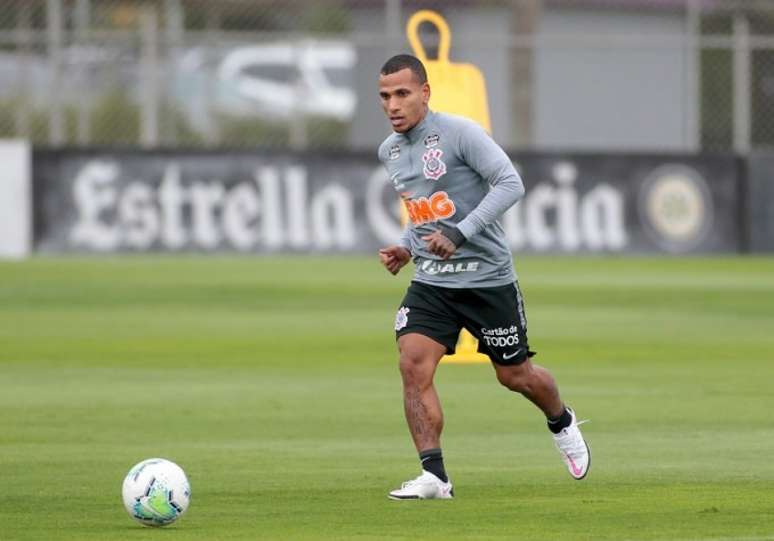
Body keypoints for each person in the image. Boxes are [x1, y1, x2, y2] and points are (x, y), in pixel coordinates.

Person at [376, 54, 590, 500]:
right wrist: (406, 246)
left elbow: (510, 183)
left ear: (425, 93)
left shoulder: (461, 133)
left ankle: (561, 420)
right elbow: (421, 206)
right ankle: (435, 476)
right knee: (412, 363)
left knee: (515, 376)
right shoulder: (390, 151)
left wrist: (461, 231)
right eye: (384, 96)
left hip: (487, 278)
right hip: (433, 282)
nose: (393, 105)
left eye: (402, 93)